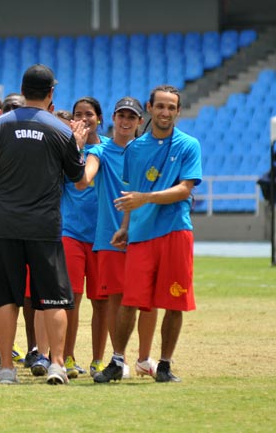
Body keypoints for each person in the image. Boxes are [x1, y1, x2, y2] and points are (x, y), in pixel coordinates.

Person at [0, 64, 86, 385]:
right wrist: (79, 149)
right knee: (54, 299)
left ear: (23, 90)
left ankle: (6, 368)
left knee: (6, 298)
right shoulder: (61, 131)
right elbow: (79, 180)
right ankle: (56, 364)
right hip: (44, 226)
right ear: (51, 93)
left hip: (6, 226)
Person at [93, 85, 202, 383]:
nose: (166, 112)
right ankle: (117, 361)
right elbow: (131, 195)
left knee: (174, 302)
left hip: (175, 231)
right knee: (130, 300)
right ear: (150, 109)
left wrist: (146, 198)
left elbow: (184, 190)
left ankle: (164, 365)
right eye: (161, 106)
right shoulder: (135, 149)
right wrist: (125, 227)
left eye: (171, 107)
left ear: (178, 111)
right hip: (141, 235)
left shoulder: (189, 145)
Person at [74, 97, 158, 379]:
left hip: (143, 235)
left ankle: (144, 358)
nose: (125, 121)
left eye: (131, 117)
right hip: (110, 237)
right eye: (121, 116)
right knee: (114, 301)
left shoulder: (147, 151)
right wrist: (79, 155)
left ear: (139, 121)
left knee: (147, 301)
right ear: (112, 118)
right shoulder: (100, 151)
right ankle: (118, 359)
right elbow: (84, 179)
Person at [59, 97, 110, 379]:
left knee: (101, 301)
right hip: (71, 233)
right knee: (71, 299)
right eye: (78, 114)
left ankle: (98, 360)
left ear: (99, 118)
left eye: (89, 114)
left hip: (101, 236)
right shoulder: (64, 148)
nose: (83, 119)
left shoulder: (109, 149)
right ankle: (67, 357)